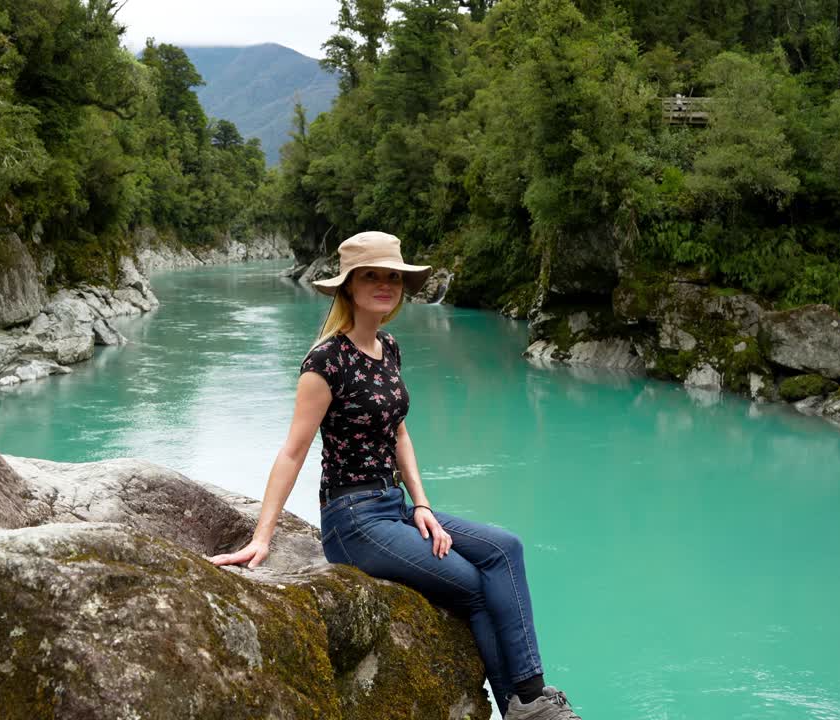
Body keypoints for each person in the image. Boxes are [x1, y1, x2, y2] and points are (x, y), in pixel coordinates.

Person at [209, 231, 581, 719]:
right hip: (353, 521)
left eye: (393, 277)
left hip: (394, 508)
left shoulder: (389, 347)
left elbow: (399, 435)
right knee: (472, 584)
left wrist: (423, 506)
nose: (384, 285)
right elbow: (293, 452)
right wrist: (263, 536)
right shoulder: (325, 361)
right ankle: (528, 704)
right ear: (348, 287)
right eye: (371, 276)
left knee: (505, 548)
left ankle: (529, 696)